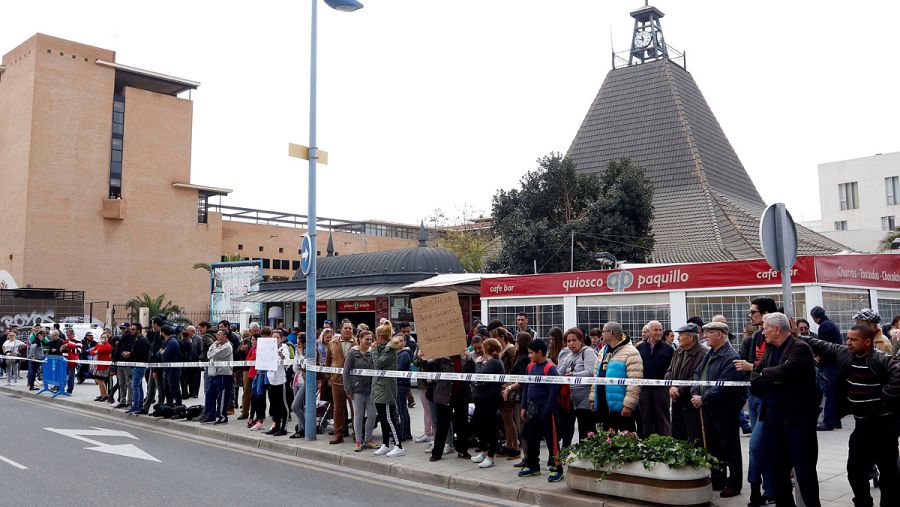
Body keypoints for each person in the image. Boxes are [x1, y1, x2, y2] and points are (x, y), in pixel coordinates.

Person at [798, 323, 900, 507]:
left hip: (884, 427)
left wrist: (887, 395)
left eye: (854, 339)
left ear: (867, 342)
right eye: (848, 338)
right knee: (855, 471)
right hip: (861, 425)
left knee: (889, 473)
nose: (849, 342)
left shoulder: (880, 358)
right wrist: (796, 336)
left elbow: (898, 371)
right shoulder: (846, 353)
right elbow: (823, 345)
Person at [750, 312, 821, 507]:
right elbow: (754, 378)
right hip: (773, 421)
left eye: (765, 329)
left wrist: (767, 374)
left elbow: (786, 371)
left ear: (777, 329)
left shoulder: (800, 348)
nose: (762, 332)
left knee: (805, 474)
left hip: (798, 423)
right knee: (778, 474)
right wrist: (772, 377)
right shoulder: (770, 349)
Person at [690, 322, 745, 498]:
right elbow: (697, 374)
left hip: (724, 410)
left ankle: (734, 484)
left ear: (720, 334)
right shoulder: (710, 354)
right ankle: (718, 479)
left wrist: (703, 398)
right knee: (713, 447)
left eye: (709, 333)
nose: (705, 336)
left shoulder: (731, 356)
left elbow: (724, 386)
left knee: (729, 448)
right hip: (709, 409)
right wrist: (695, 392)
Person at [733, 297, 778, 506]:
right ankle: (768, 490)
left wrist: (750, 367)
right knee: (761, 447)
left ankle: (758, 488)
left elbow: (773, 367)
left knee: (757, 445)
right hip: (754, 395)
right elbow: (754, 363)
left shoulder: (776, 336)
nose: (750, 315)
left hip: (770, 399)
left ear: (766, 313)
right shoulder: (757, 336)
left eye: (753, 312)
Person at [518, 339, 564, 483]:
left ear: (539, 352)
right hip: (532, 409)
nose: (529, 355)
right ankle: (533, 466)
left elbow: (553, 393)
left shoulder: (550, 369)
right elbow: (526, 387)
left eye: (531, 353)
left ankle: (557, 468)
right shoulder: (530, 366)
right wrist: (523, 406)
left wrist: (547, 412)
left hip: (547, 410)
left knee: (552, 441)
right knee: (531, 439)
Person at [592, 321, 643, 432]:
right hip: (603, 405)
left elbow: (635, 381)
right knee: (605, 437)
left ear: (610, 333)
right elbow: (596, 375)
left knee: (626, 438)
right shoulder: (602, 351)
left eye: (603, 332)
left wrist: (628, 405)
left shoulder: (631, 352)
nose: (601, 334)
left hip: (621, 407)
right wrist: (593, 399)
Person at [664, 323, 706, 445]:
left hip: (692, 403)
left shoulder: (703, 353)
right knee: (677, 438)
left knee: (694, 439)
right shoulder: (678, 351)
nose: (678, 338)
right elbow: (669, 372)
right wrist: (670, 387)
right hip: (677, 402)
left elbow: (698, 378)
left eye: (681, 335)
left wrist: (679, 390)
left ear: (691, 337)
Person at [556, 327, 598, 447]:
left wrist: (574, 375)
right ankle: (566, 452)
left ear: (581, 340)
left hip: (585, 398)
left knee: (585, 430)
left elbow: (591, 372)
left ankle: (588, 453)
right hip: (570, 398)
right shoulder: (568, 355)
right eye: (568, 341)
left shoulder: (588, 352)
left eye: (574, 340)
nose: (571, 344)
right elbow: (559, 372)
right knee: (567, 429)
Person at [372, 323, 405, 457]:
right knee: (383, 418)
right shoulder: (382, 348)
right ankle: (385, 444)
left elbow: (378, 364)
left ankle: (399, 446)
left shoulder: (390, 350)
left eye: (378, 336)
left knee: (389, 418)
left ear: (382, 336)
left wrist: (374, 351)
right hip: (378, 387)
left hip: (386, 388)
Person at [635, 320, 674, 437]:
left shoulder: (668, 349)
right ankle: (648, 443)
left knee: (662, 418)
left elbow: (672, 369)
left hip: (661, 389)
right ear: (648, 331)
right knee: (646, 417)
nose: (659, 332)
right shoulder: (639, 348)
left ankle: (664, 443)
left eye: (660, 330)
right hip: (644, 389)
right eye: (655, 330)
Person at [809, 306, 844, 431]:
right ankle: (835, 420)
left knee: (829, 392)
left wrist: (818, 356)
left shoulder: (824, 327)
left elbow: (823, 346)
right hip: (835, 361)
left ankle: (828, 421)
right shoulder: (831, 324)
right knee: (832, 392)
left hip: (829, 362)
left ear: (814, 317)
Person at [325, 321, 356, 444]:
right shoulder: (332, 343)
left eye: (350, 328)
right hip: (337, 381)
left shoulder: (357, 343)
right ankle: (338, 434)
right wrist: (329, 377)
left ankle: (357, 434)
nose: (348, 330)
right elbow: (328, 361)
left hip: (353, 382)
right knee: (338, 410)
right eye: (345, 328)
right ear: (341, 329)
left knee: (355, 410)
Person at [202, 329, 234, 425]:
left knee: (222, 397)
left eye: (219, 334)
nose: (217, 336)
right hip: (213, 374)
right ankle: (210, 416)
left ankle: (222, 417)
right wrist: (214, 345)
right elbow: (208, 355)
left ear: (225, 336)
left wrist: (213, 348)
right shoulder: (216, 344)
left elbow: (214, 355)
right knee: (210, 395)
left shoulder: (227, 346)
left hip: (223, 374)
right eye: (217, 334)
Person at [395, 333, 414, 442]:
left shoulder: (404, 354)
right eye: (397, 341)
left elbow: (399, 369)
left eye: (401, 341)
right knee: (403, 409)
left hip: (401, 384)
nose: (399, 343)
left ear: (405, 342)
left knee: (402, 409)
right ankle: (406, 433)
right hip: (402, 384)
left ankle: (403, 434)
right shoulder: (401, 353)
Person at [290, 333, 309, 439]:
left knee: (295, 406)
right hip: (297, 380)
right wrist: (298, 354)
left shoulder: (308, 352)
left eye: (300, 343)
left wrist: (301, 354)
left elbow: (304, 365)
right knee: (299, 407)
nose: (298, 345)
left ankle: (307, 427)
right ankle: (301, 429)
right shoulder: (297, 351)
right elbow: (295, 368)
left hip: (304, 381)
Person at [128, 327, 150, 414]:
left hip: (140, 365)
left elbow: (141, 353)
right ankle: (139, 404)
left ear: (138, 330)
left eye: (133, 329)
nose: (131, 331)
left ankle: (136, 405)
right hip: (136, 365)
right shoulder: (137, 339)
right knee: (138, 385)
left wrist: (130, 354)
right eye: (131, 329)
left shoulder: (142, 340)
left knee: (135, 385)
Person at [159, 325, 183, 406]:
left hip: (173, 369)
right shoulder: (166, 342)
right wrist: (161, 352)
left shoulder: (172, 342)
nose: (159, 334)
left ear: (163, 333)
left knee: (174, 388)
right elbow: (158, 354)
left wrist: (162, 352)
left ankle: (179, 405)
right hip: (167, 369)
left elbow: (165, 355)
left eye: (160, 332)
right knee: (167, 388)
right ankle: (169, 405)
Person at [87, 331, 112, 401]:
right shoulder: (99, 344)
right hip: (97, 365)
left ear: (107, 338)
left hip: (103, 366)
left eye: (105, 337)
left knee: (101, 380)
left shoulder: (108, 345)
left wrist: (97, 349)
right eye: (102, 337)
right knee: (98, 380)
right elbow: (91, 352)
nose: (104, 339)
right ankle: (101, 394)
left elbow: (101, 350)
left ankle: (105, 395)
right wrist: (96, 350)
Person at [61, 329, 82, 394]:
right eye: (67, 335)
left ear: (73, 334)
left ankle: (70, 389)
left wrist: (68, 348)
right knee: (63, 375)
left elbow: (78, 351)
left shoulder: (78, 341)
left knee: (71, 376)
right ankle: (61, 388)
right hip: (64, 359)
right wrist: (63, 348)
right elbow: (61, 349)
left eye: (69, 335)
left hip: (71, 360)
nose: (67, 336)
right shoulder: (66, 340)